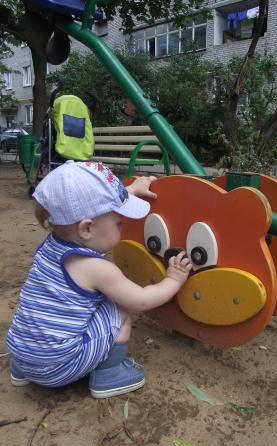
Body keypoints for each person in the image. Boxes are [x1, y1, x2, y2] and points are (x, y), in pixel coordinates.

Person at [6, 161, 192, 399]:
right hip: (57, 368)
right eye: (119, 223)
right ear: (86, 229)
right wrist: (174, 280)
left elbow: (96, 211)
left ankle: (23, 371)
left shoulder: (50, 246)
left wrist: (130, 191)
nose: (123, 227)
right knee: (120, 307)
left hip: (21, 355)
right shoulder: (98, 269)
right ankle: (109, 374)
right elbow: (142, 301)